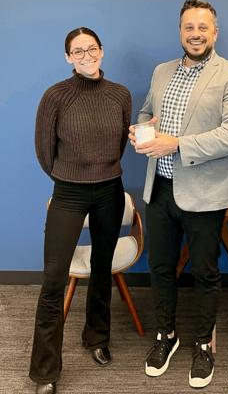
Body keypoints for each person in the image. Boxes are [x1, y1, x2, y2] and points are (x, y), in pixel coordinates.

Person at [128, 0, 228, 389]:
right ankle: (166, 336)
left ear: (215, 32)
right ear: (180, 31)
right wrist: (141, 130)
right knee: (161, 268)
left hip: (205, 193)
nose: (195, 34)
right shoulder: (162, 71)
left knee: (204, 272)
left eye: (202, 27)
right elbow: (147, 112)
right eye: (189, 27)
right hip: (160, 188)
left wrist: (176, 143)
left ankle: (203, 344)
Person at [30, 27, 132, 394]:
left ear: (102, 51)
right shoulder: (55, 96)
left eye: (91, 48)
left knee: (102, 269)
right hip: (69, 194)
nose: (86, 55)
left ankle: (97, 337)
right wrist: (73, 177)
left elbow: (119, 146)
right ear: (68, 57)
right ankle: (45, 371)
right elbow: (45, 152)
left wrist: (100, 173)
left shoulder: (120, 95)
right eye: (78, 51)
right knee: (53, 281)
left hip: (110, 191)